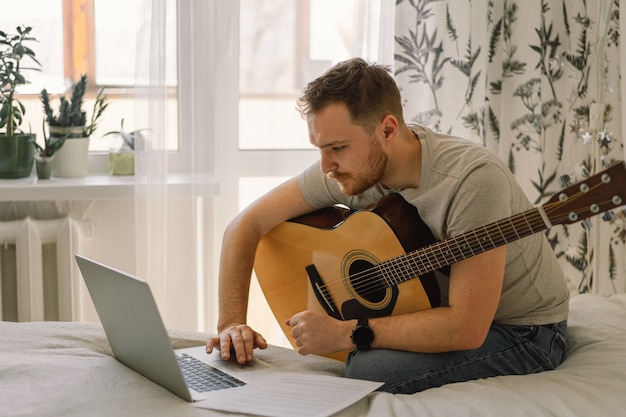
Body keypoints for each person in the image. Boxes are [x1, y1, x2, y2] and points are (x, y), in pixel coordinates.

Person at [205, 57, 569, 394]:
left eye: (337, 148)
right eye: (319, 148)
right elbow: (246, 225)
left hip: (524, 329)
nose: (326, 165)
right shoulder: (348, 169)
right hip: (445, 311)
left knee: (368, 367)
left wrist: (347, 332)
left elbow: (467, 326)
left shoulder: (472, 181)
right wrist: (231, 325)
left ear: (388, 130)